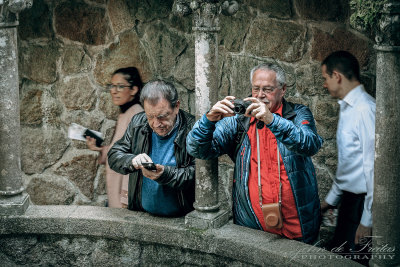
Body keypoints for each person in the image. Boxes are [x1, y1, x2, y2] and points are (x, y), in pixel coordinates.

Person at [186, 63, 323, 244]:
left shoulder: (298, 114)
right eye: (256, 89)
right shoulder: (239, 121)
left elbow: (309, 144)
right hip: (251, 223)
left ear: (282, 90)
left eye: (267, 89)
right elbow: (197, 149)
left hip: (297, 224)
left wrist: (271, 120)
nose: (259, 95)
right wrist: (208, 120)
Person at [107, 79, 195, 216]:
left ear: (176, 106)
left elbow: (197, 174)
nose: (156, 124)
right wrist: (132, 161)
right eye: (150, 116)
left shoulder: (193, 129)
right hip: (142, 214)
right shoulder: (138, 122)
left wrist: (165, 174)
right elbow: (114, 155)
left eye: (162, 116)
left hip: (181, 219)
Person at [320, 51, 375, 265]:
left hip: (362, 206)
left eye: (325, 78)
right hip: (349, 203)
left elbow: (374, 168)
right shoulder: (347, 107)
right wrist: (330, 201)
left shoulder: (365, 110)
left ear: (337, 76)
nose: (324, 85)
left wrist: (367, 221)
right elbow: (348, 163)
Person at [86, 67, 144, 208]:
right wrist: (100, 149)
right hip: (118, 194)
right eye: (112, 86)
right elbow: (119, 152)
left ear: (134, 90)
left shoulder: (136, 116)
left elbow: (135, 159)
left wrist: (125, 197)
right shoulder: (126, 113)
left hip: (124, 199)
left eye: (120, 86)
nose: (114, 90)